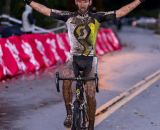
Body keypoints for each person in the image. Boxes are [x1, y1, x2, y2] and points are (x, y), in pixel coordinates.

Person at [23, 0, 145, 129]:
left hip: (90, 60)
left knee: (90, 93)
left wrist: (138, 1)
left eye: (85, 1)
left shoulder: (97, 17)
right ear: (76, 2)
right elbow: (45, 10)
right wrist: (30, 2)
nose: (83, 4)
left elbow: (121, 12)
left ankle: (91, 125)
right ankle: (69, 114)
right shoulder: (68, 16)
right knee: (66, 77)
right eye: (80, 1)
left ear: (90, 2)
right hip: (74, 58)